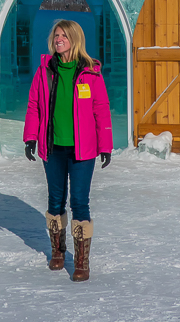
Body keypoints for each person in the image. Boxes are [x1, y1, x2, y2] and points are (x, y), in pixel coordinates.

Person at [23, 19, 113, 281]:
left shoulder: (91, 72)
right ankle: (58, 252)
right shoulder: (45, 70)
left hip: (83, 151)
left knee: (80, 204)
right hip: (53, 148)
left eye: (63, 35)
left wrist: (105, 145)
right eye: (56, 35)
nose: (58, 39)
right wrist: (31, 137)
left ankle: (82, 262)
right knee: (55, 201)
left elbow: (101, 109)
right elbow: (34, 105)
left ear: (75, 39)